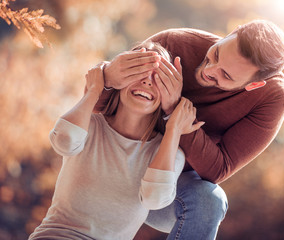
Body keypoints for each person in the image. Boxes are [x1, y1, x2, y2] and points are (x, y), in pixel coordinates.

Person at [95, 19, 284, 239]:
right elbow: (99, 109)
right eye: (216, 54)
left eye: (226, 75)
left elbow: (219, 168)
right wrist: (107, 76)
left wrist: (175, 111)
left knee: (210, 201)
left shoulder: (273, 97)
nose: (210, 70)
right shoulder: (174, 42)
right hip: (115, 168)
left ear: (253, 85)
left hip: (169, 189)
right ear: (231, 32)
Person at [28, 42, 204, 240]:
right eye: (138, 73)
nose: (147, 82)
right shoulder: (90, 125)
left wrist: (174, 127)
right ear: (120, 80)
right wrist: (96, 88)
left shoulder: (167, 151)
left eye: (157, 78)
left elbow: (154, 199)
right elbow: (63, 141)